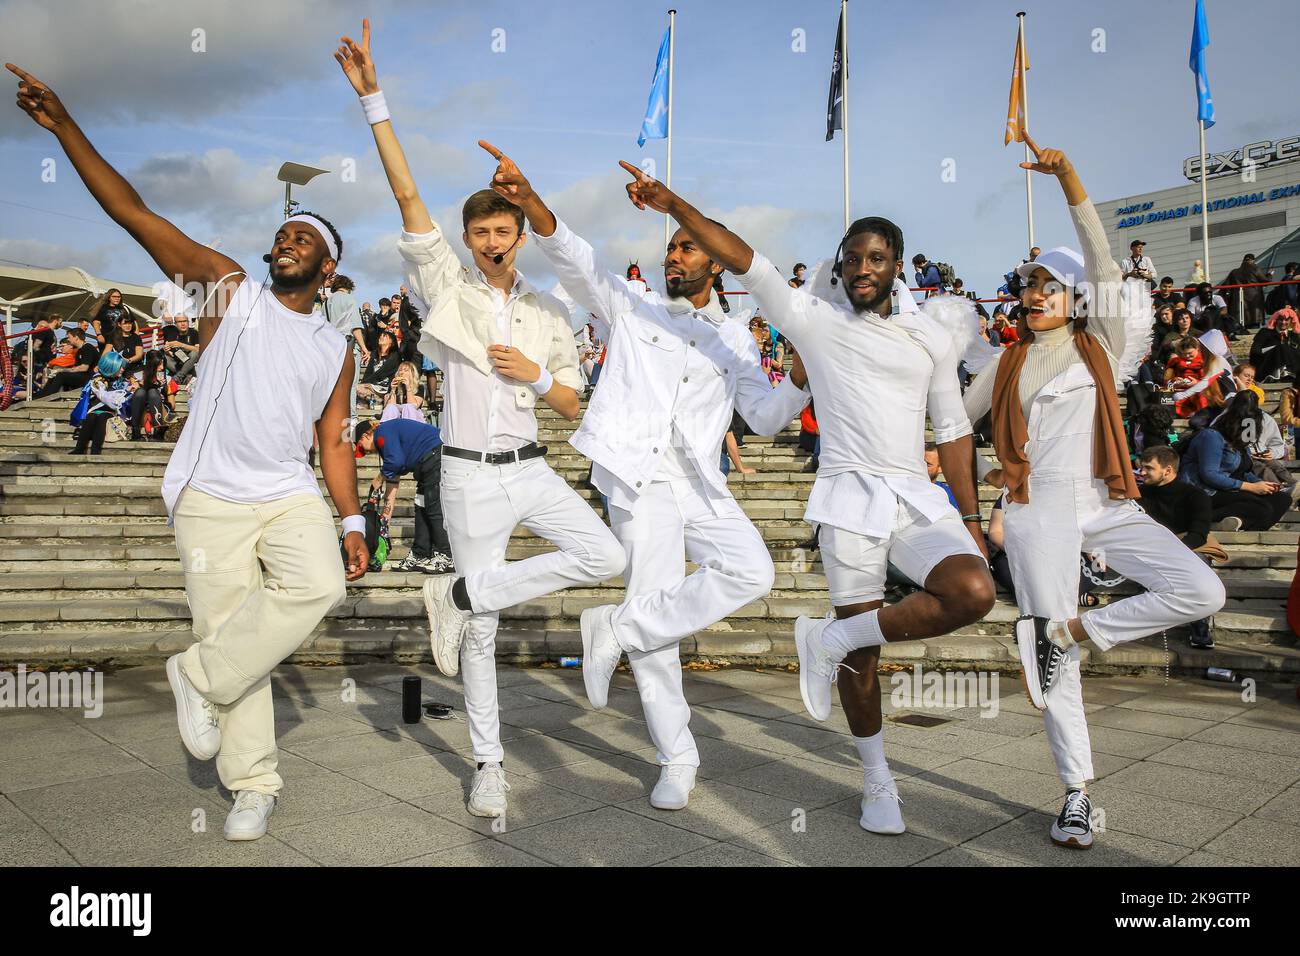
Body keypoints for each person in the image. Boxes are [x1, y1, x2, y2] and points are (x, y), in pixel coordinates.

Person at [9, 61, 370, 842]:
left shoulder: (336, 346)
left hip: (285, 491)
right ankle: (253, 783)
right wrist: (66, 127)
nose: (285, 242)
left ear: (327, 266)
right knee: (229, 630)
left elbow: (334, 438)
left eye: (301, 238)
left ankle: (195, 679)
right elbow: (135, 215)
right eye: (281, 232)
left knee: (318, 591)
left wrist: (352, 521)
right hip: (210, 492)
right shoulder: (228, 290)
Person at [609, 160, 996, 837]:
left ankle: (831, 635)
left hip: (914, 499)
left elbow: (955, 429)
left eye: (876, 257)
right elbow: (742, 256)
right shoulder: (814, 321)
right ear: (840, 267)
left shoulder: (931, 337)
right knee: (864, 662)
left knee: (972, 592)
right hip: (848, 503)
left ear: (897, 264)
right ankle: (878, 780)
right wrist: (673, 203)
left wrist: (968, 516)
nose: (863, 267)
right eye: (852, 258)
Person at [337, 22, 626, 819]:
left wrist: (538, 377)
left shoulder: (548, 311)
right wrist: (373, 98)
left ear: (520, 235)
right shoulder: (447, 289)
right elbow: (405, 194)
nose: (493, 240)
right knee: (485, 635)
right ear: (467, 239)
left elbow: (574, 404)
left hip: (531, 465)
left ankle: (462, 593)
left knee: (606, 548)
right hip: (465, 472)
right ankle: (489, 763)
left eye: (504, 230)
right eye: (481, 232)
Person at [488, 144, 813, 812]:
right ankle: (677, 756)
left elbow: (766, 417)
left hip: (701, 484)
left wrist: (802, 382)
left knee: (752, 571)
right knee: (659, 611)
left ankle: (621, 628)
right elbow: (574, 260)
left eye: (689, 249)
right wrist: (530, 202)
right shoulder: (634, 306)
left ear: (713, 264)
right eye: (671, 249)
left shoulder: (739, 340)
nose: (675, 257)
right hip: (640, 481)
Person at [961, 137, 1224, 851]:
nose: (1035, 295)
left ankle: (1069, 633)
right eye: (1028, 285)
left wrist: (1069, 178)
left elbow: (1104, 264)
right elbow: (956, 419)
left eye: (1050, 286)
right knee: (1059, 674)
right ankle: (1076, 793)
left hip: (1105, 499)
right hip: (1036, 510)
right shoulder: (1007, 360)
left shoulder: (1100, 344)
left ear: (1074, 297)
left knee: (1201, 591)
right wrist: (961, 478)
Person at [1136, 446, 1217, 648]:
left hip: (1185, 547)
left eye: (1148, 468)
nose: (1142, 472)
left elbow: (1198, 534)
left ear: (1168, 470)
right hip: (1149, 549)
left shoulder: (1195, 496)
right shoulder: (1139, 494)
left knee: (1198, 568)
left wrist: (1172, 553)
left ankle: (1199, 625)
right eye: (1141, 468)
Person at [1179, 391, 1292, 532]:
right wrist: (1250, 487)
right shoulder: (1211, 436)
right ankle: (1205, 520)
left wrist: (1261, 484)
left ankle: (1239, 523)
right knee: (1260, 507)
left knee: (1281, 499)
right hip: (1205, 492)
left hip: (1228, 489)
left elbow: (1244, 471)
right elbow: (1209, 474)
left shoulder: (1239, 442)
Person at [354, 417, 453, 573]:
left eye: (362, 447)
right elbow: (392, 485)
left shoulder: (382, 434)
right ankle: (420, 553)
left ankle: (446, 555)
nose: (365, 452)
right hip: (426, 463)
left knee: (433, 508)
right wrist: (384, 522)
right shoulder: (387, 441)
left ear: (365, 435)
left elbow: (395, 462)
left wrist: (379, 478)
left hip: (434, 456)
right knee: (421, 507)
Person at [323, 273, 367, 416]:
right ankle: (350, 425)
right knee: (351, 386)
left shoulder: (326, 303)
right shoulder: (349, 299)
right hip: (348, 346)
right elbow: (355, 326)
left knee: (333, 385)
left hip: (330, 347)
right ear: (349, 286)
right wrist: (364, 348)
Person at [71, 351, 131, 454]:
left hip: (113, 411)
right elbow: (104, 397)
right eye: (120, 366)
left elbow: (120, 400)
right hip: (96, 408)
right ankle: (79, 449)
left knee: (103, 417)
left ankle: (96, 450)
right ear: (111, 366)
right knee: (91, 417)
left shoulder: (123, 381)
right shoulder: (97, 379)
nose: (122, 369)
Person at [35, 326, 99, 397]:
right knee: (54, 375)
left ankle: (49, 395)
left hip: (88, 377)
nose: (68, 339)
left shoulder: (87, 348)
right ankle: (43, 394)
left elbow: (84, 368)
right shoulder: (79, 350)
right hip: (81, 376)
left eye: (69, 337)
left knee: (61, 375)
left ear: (76, 338)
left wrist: (61, 370)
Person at [128, 348, 172, 441]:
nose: (162, 367)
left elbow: (172, 404)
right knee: (140, 392)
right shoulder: (136, 377)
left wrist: (160, 389)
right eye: (159, 364)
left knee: (152, 392)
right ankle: (135, 432)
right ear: (150, 365)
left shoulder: (167, 379)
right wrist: (137, 386)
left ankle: (158, 433)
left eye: (163, 364)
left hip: (160, 415)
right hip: (141, 415)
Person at [1250, 306, 1300, 382]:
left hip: (1292, 365)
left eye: (1286, 320)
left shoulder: (1294, 335)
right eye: (1281, 319)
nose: (1283, 322)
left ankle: (1289, 373)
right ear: (1276, 320)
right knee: (1281, 348)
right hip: (1268, 364)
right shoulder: (1265, 332)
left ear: (1291, 321)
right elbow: (1255, 351)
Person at [1223, 253, 1269, 331]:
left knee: (1243, 322)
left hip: (1238, 300)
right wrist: (1269, 275)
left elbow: (1225, 286)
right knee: (1254, 323)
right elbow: (1265, 281)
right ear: (1253, 260)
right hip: (1254, 298)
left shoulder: (1234, 272)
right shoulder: (1255, 268)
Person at [161, 313, 200, 383]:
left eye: (185, 321)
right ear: (175, 324)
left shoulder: (194, 333)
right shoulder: (172, 333)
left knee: (194, 354)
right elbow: (170, 353)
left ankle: (179, 376)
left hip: (189, 360)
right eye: (179, 322)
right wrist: (166, 351)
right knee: (163, 356)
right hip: (178, 361)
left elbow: (198, 350)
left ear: (188, 322)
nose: (183, 324)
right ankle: (186, 375)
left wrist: (182, 345)